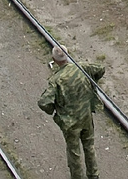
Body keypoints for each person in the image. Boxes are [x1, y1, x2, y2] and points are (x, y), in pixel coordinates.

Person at [38, 45, 106, 179]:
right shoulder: (82, 68)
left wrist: (54, 109)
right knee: (89, 147)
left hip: (70, 123)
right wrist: (92, 86)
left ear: (54, 59)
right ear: (67, 55)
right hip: (86, 117)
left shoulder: (56, 80)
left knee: (74, 152)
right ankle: (94, 175)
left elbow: (43, 102)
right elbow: (100, 69)